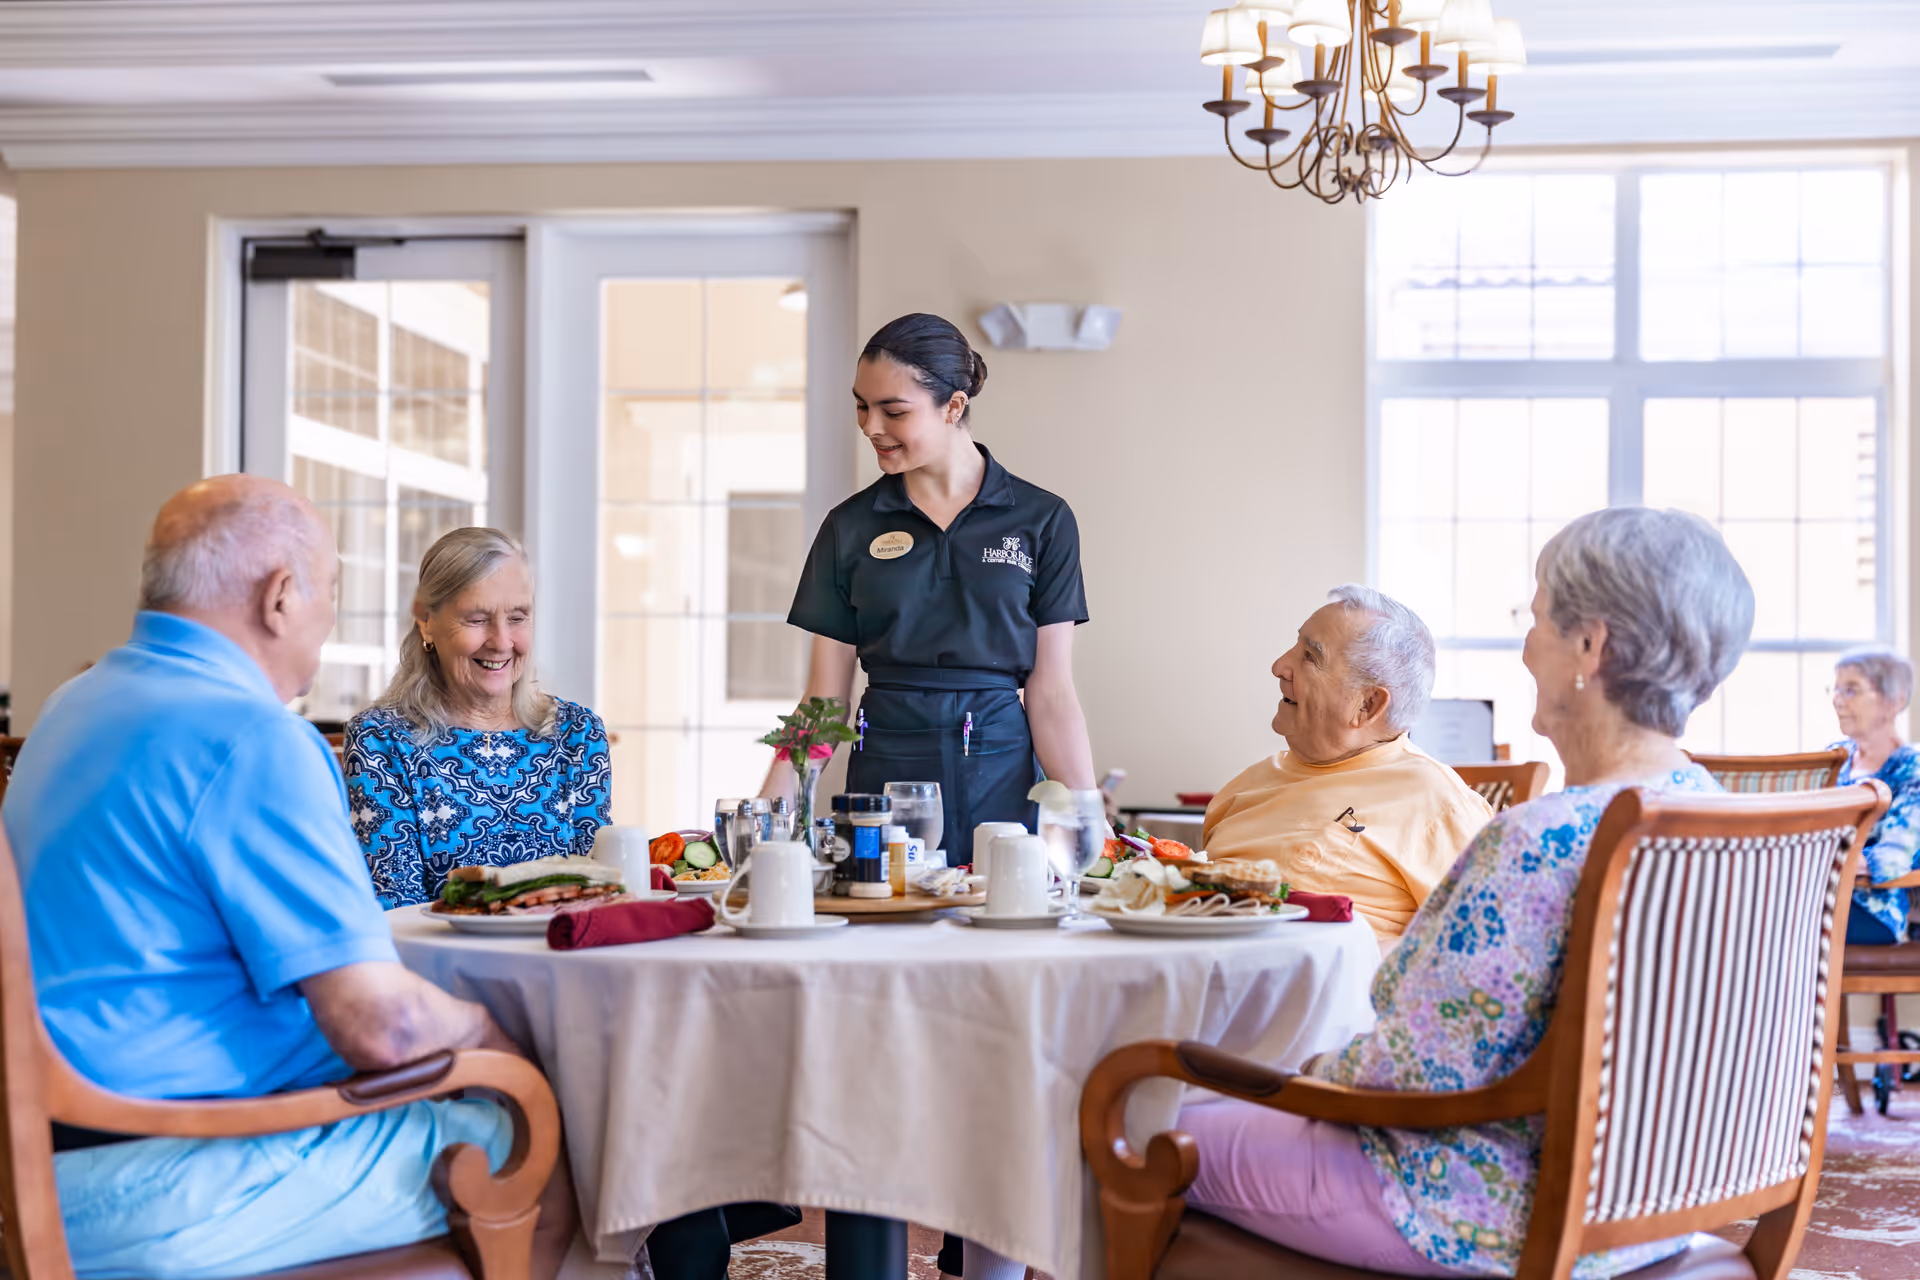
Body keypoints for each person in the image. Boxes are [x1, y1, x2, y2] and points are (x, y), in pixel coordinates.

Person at [4, 475, 575, 1279]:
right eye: (330, 592)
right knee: (530, 1138)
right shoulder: (253, 738)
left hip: (43, 1153)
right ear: (279, 597)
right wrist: (499, 1045)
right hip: (173, 1174)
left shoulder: (70, 706)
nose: (327, 620)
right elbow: (383, 1030)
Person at [1177, 507, 1754, 1277]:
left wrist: (1300, 1071)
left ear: (1591, 646)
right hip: (1656, 1201)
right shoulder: (1729, 818)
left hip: (1476, 1207)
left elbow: (1407, 1078)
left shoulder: (1540, 841)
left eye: (1539, 615)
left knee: (1127, 1118)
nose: (1526, 645)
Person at [767, 312, 1097, 1280]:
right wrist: (768, 825)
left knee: (997, 1035)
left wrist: (1095, 830)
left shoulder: (1040, 520)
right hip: (881, 796)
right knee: (885, 1030)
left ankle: (988, 1256)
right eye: (863, 408)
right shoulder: (850, 525)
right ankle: (874, 1249)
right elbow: (823, 705)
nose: (874, 426)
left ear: (956, 405)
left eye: (894, 408)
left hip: (1003, 787)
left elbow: (1053, 694)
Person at [1202, 585, 1493, 946]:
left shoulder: (1438, 804)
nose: (1279, 666)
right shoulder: (1249, 783)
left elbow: (1487, 954)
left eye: (1310, 657)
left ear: (1368, 705)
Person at [346, 526, 611, 908]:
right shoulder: (380, 741)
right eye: (476, 619)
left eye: (518, 617)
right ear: (427, 622)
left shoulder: (578, 734)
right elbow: (393, 910)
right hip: (440, 966)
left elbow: (598, 891)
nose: (502, 641)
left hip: (564, 960)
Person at [1831, 646, 1920, 945]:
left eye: (1851, 690)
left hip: (1874, 911)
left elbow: (1893, 857)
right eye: (1836, 689)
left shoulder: (1912, 767)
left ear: (1892, 702)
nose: (1837, 701)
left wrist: (1822, 861)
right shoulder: (1834, 757)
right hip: (1821, 898)